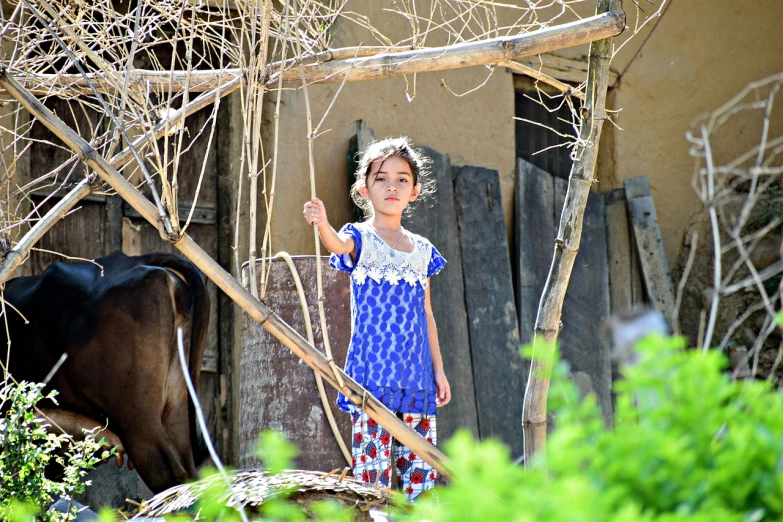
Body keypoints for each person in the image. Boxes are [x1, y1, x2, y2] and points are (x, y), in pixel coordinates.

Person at [302, 136, 450, 502]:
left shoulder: (424, 252)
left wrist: (439, 370)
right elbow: (337, 245)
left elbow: (427, 314)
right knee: (373, 481)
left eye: (402, 179)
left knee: (421, 479)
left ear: (415, 190)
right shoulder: (360, 238)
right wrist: (322, 223)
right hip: (372, 379)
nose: (392, 186)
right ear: (364, 189)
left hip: (416, 381)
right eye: (381, 178)